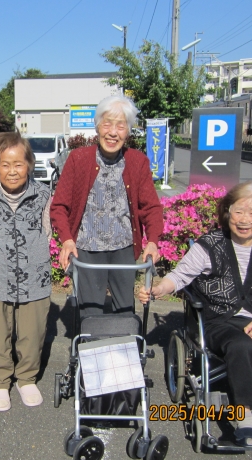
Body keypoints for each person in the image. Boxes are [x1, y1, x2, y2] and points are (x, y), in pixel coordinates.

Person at [138, 181, 252, 452]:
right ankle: (246, 422)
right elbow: (180, 276)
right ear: (227, 211)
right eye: (238, 211)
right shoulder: (209, 245)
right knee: (240, 345)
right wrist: (158, 289)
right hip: (219, 322)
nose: (244, 220)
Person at [50, 95, 164, 315]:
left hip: (124, 248)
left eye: (120, 126)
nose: (113, 132)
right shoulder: (78, 159)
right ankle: (89, 337)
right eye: (107, 124)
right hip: (87, 248)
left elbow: (151, 207)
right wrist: (67, 239)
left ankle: (125, 337)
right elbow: (59, 206)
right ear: (97, 127)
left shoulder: (137, 161)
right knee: (90, 313)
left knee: (125, 311)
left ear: (128, 131)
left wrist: (152, 241)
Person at [0, 131, 52, 412]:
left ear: (29, 164)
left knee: (32, 330)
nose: (12, 171)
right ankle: (0, 381)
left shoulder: (44, 194)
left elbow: (47, 231)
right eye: (5, 164)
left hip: (34, 272)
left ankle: (27, 378)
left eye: (19, 164)